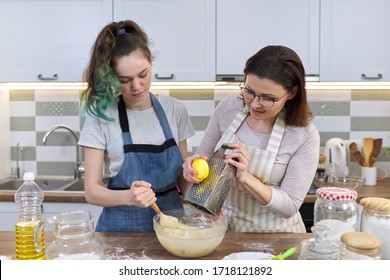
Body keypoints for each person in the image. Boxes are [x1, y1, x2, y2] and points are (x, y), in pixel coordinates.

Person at [183, 45, 320, 233]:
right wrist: (192, 170)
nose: (255, 104)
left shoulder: (304, 134)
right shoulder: (227, 109)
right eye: (249, 91)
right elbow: (202, 161)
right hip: (225, 231)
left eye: (268, 98)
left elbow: (289, 205)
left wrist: (245, 177)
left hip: (276, 239)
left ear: (292, 93)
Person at [78, 20, 195, 232]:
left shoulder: (174, 110)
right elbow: (92, 191)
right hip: (119, 232)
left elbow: (182, 179)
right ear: (110, 78)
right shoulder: (101, 118)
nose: (137, 86)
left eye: (143, 74)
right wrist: (129, 197)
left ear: (151, 63)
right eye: (124, 80)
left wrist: (201, 201)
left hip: (172, 230)